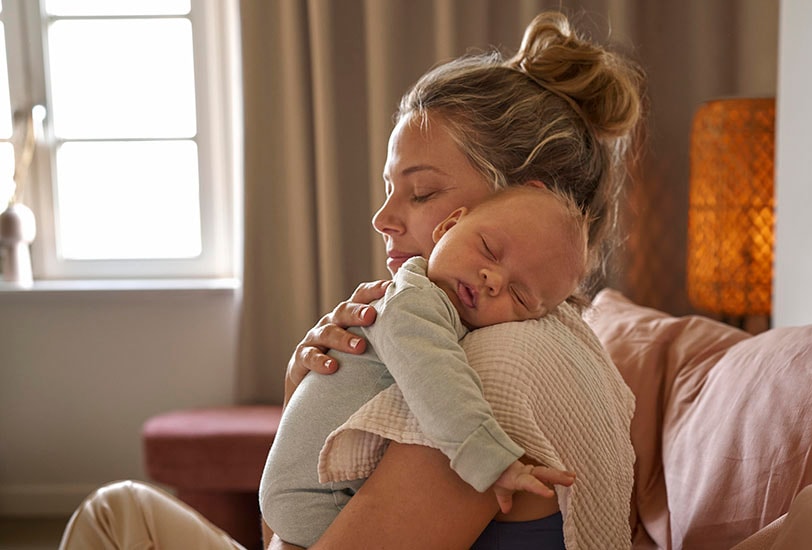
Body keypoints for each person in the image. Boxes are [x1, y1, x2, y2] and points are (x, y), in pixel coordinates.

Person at [59, 10, 645, 550]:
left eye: (421, 192)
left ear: (525, 198)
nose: (383, 219)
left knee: (116, 523)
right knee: (120, 509)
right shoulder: (528, 336)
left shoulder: (487, 375)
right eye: (390, 189)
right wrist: (305, 399)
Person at [260, 185, 586, 548]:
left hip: (301, 497)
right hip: (316, 497)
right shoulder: (413, 300)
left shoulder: (488, 343)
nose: (493, 280)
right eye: (489, 249)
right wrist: (493, 462)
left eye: (519, 295)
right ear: (448, 227)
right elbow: (437, 381)